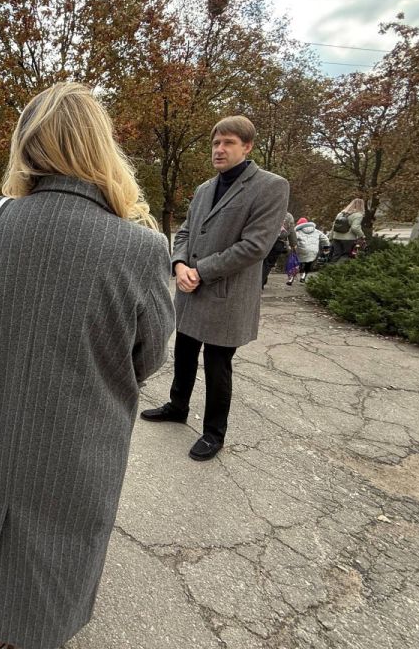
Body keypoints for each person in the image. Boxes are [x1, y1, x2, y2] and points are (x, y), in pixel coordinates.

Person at [0, 83, 175, 649]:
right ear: (101, 148)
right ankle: (37, 632)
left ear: (26, 146)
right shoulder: (143, 246)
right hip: (83, 431)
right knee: (63, 542)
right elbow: (149, 354)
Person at [141, 115, 289, 461]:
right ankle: (177, 407)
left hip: (228, 295)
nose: (219, 150)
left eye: (228, 143)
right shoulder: (207, 188)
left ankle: (213, 432)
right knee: (185, 354)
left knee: (218, 365)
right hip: (191, 291)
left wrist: (200, 271)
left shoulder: (270, 186)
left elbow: (255, 246)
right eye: (215, 143)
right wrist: (178, 265)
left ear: (247, 147)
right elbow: (185, 233)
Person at [261, 210, 297, 288]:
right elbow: (292, 232)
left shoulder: (270, 211)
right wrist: (293, 244)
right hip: (278, 243)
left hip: (265, 239)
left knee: (262, 261)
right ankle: (261, 282)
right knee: (268, 263)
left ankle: (261, 281)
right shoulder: (289, 216)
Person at [291, 216, 330, 284]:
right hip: (313, 251)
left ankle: (292, 277)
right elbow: (325, 239)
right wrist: (326, 247)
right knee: (308, 263)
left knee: (298, 263)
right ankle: (303, 277)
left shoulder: (298, 231)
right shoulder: (316, 231)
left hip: (301, 250)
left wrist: (291, 246)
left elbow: (293, 240)